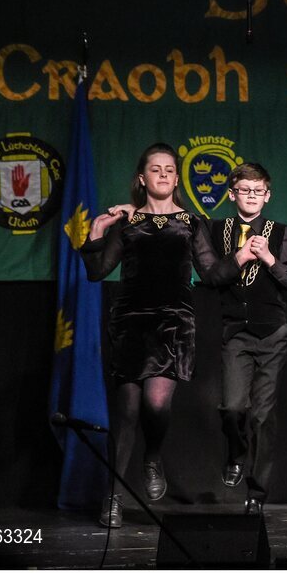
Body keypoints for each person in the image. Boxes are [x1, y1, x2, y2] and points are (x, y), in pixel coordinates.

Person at [80, 143, 252, 528]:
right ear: (142, 179)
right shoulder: (128, 222)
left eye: (169, 169)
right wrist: (96, 230)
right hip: (130, 321)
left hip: (173, 322)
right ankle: (113, 496)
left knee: (156, 403)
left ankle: (153, 456)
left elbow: (209, 274)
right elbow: (97, 271)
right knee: (126, 411)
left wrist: (239, 259)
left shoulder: (191, 223)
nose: (162, 174)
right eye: (154, 169)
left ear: (176, 178)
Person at [209, 163, 287, 516]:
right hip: (236, 333)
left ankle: (257, 491)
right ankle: (235, 453)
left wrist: (268, 258)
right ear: (232, 194)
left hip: (272, 334)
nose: (251, 196)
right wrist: (240, 256)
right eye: (244, 190)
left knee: (262, 416)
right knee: (233, 407)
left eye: (258, 191)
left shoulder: (280, 232)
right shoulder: (218, 229)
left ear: (268, 195)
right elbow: (211, 276)